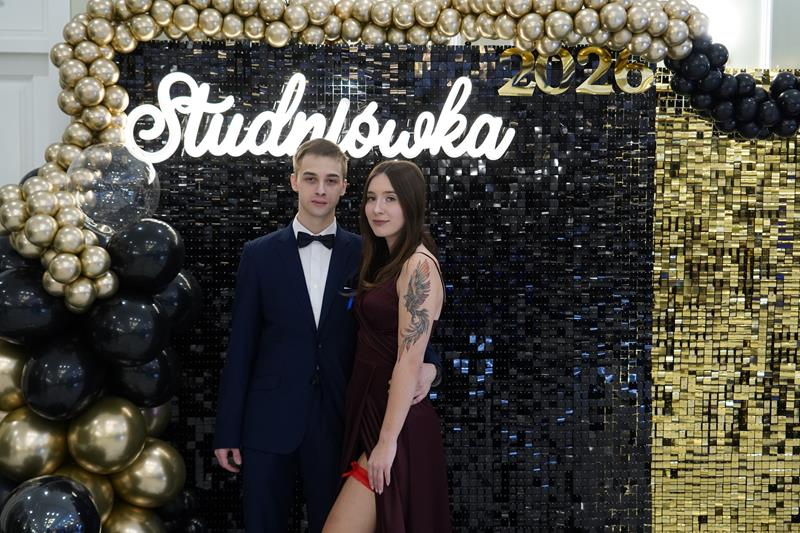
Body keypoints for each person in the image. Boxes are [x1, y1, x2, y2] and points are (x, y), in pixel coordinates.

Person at [213, 139, 442, 533]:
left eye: (331, 180)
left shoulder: (369, 252)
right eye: (310, 179)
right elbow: (241, 345)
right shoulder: (258, 254)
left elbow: (401, 324)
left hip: (340, 420)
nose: (320, 189)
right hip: (268, 421)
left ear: (344, 187)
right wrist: (227, 430)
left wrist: (432, 367)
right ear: (294, 181)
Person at [323, 160, 451, 533]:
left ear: (411, 204)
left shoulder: (418, 266)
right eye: (372, 198)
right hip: (370, 411)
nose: (377, 209)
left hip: (397, 425)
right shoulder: (385, 260)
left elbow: (409, 362)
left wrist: (387, 443)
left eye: (390, 199)